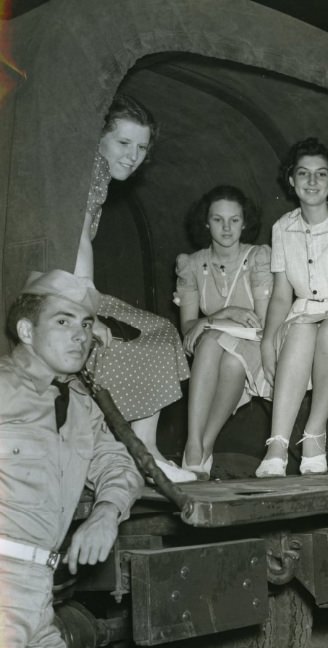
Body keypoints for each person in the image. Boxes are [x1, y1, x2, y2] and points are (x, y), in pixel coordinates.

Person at [0, 270, 141, 648]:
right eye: (63, 321)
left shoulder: (80, 405)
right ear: (26, 330)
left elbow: (119, 465)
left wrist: (105, 512)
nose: (80, 335)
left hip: (41, 601)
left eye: (84, 324)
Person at [77, 94, 194, 482]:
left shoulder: (99, 175)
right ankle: (141, 451)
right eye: (123, 143)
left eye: (142, 148)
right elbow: (76, 240)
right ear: (99, 138)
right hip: (65, 289)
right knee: (145, 338)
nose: (133, 156)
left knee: (160, 330)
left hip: (75, 284)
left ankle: (145, 449)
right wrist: (84, 310)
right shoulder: (89, 170)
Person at [256, 139, 328, 477]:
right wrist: (266, 341)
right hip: (301, 316)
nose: (312, 181)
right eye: (303, 174)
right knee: (302, 329)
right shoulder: (282, 228)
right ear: (291, 181)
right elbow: (280, 296)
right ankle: (276, 443)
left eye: (322, 174)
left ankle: (314, 433)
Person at [174, 185, 273, 480]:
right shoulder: (190, 264)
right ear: (206, 222)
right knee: (212, 347)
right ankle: (198, 445)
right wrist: (222, 315)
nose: (227, 228)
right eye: (218, 220)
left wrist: (209, 324)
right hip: (214, 344)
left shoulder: (259, 258)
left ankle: (199, 445)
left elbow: (262, 323)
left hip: (256, 342)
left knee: (215, 346)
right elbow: (188, 327)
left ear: (245, 222)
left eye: (234, 220)